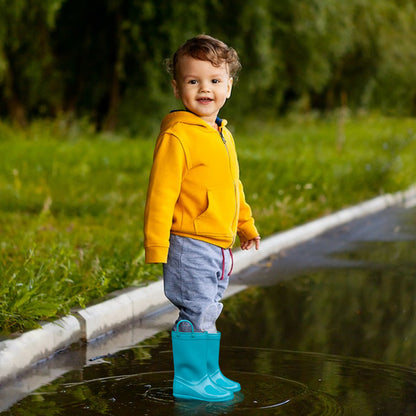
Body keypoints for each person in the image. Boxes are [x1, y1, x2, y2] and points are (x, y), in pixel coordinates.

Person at [144, 34, 260, 402]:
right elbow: (161, 194)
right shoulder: (178, 136)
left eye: (214, 80)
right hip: (189, 243)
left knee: (209, 310)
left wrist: (246, 224)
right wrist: (156, 245)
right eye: (193, 81)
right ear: (178, 89)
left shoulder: (222, 134)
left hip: (218, 244)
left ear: (229, 86)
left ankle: (209, 373)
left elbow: (233, 186)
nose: (204, 89)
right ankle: (192, 380)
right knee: (195, 311)